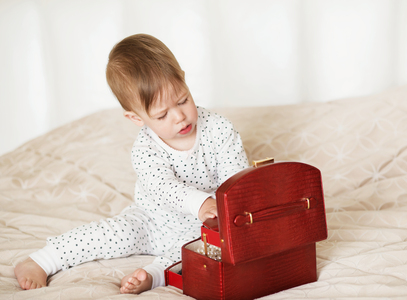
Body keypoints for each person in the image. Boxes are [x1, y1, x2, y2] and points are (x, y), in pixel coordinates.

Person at [14, 33, 249, 294]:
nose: (180, 117)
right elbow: (163, 186)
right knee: (113, 234)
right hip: (150, 220)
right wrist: (201, 202)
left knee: (206, 248)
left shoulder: (219, 129)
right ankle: (43, 259)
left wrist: (228, 207)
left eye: (183, 100)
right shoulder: (145, 149)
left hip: (203, 225)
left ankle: (153, 275)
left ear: (184, 79)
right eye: (162, 115)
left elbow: (237, 179)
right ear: (136, 118)